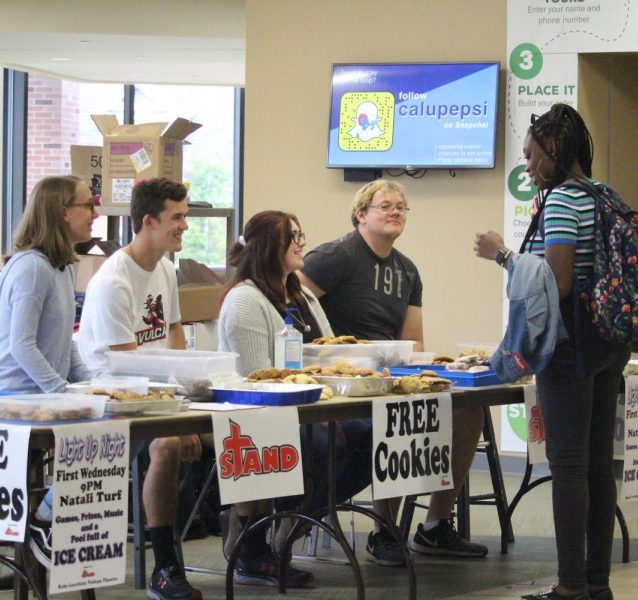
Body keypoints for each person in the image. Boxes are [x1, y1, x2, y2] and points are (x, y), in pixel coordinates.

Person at [476, 105, 630, 600]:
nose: (526, 165)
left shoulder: (562, 200)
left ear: (555, 152)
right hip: (608, 343)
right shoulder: (604, 194)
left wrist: (502, 254)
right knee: (598, 465)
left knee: (567, 466)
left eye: (530, 155)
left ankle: (569, 586)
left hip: (569, 348)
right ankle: (597, 583)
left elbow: (557, 283)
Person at [299, 179, 488, 566]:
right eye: (385, 206)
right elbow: (293, 304)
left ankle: (434, 526)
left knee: (469, 409)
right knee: (402, 415)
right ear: (360, 214)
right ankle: (384, 530)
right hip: (343, 381)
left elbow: (413, 341)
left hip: (390, 373)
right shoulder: (336, 256)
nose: (395, 212)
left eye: (401, 207)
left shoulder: (407, 270)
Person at [217, 210, 373, 587]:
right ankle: (253, 537)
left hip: (311, 405)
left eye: (302, 234)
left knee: (373, 434)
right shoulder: (245, 301)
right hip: (258, 415)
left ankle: (297, 520)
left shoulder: (300, 294)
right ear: (271, 245)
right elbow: (258, 380)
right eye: (294, 236)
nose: (303, 242)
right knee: (325, 439)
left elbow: (329, 354)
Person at [77, 178, 203, 600]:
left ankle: (245, 545)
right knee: (167, 445)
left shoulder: (165, 268)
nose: (185, 225)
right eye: (177, 217)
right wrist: (177, 417)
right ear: (148, 221)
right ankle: (165, 567)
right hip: (111, 395)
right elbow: (129, 369)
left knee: (227, 426)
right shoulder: (114, 282)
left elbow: (174, 338)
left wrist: (187, 401)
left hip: (154, 391)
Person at [0, 175, 96, 567]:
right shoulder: (30, 268)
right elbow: (22, 344)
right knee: (95, 434)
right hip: (15, 397)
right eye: (88, 205)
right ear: (64, 213)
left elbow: (63, 340)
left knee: (112, 425)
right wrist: (62, 390)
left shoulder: (63, 267)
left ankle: (48, 514)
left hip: (43, 394)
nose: (94, 213)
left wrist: (92, 384)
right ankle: (45, 516)